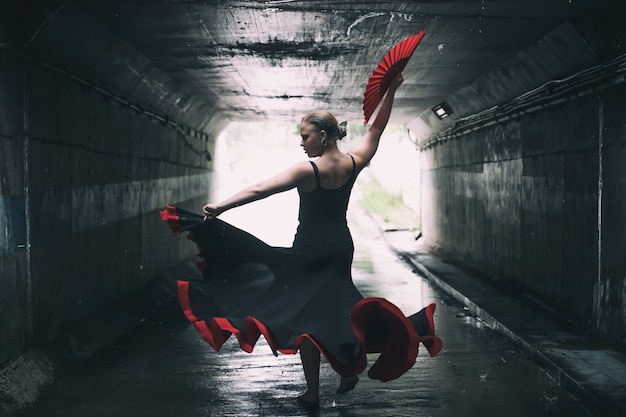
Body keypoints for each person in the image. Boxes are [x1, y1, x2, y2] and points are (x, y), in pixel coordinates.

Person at [161, 72, 442, 409]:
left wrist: (221, 206)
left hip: (309, 251)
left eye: (305, 136)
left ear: (323, 137)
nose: (301, 142)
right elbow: (376, 130)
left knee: (308, 318)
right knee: (334, 312)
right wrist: (392, 90)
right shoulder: (354, 162)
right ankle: (346, 367)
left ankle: (316, 388)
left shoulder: (307, 170)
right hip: (340, 248)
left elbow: (260, 189)